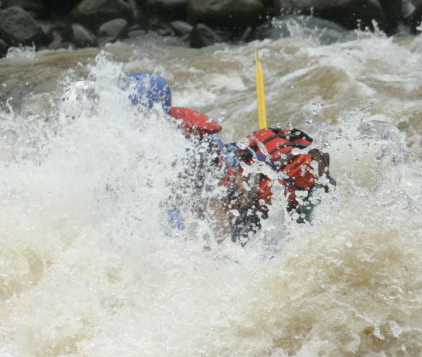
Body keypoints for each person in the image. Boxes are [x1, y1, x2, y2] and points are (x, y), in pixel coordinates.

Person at [121, 72, 333, 243]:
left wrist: (223, 251)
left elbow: (214, 202)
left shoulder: (192, 149)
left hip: (251, 209)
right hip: (244, 192)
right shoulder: (163, 134)